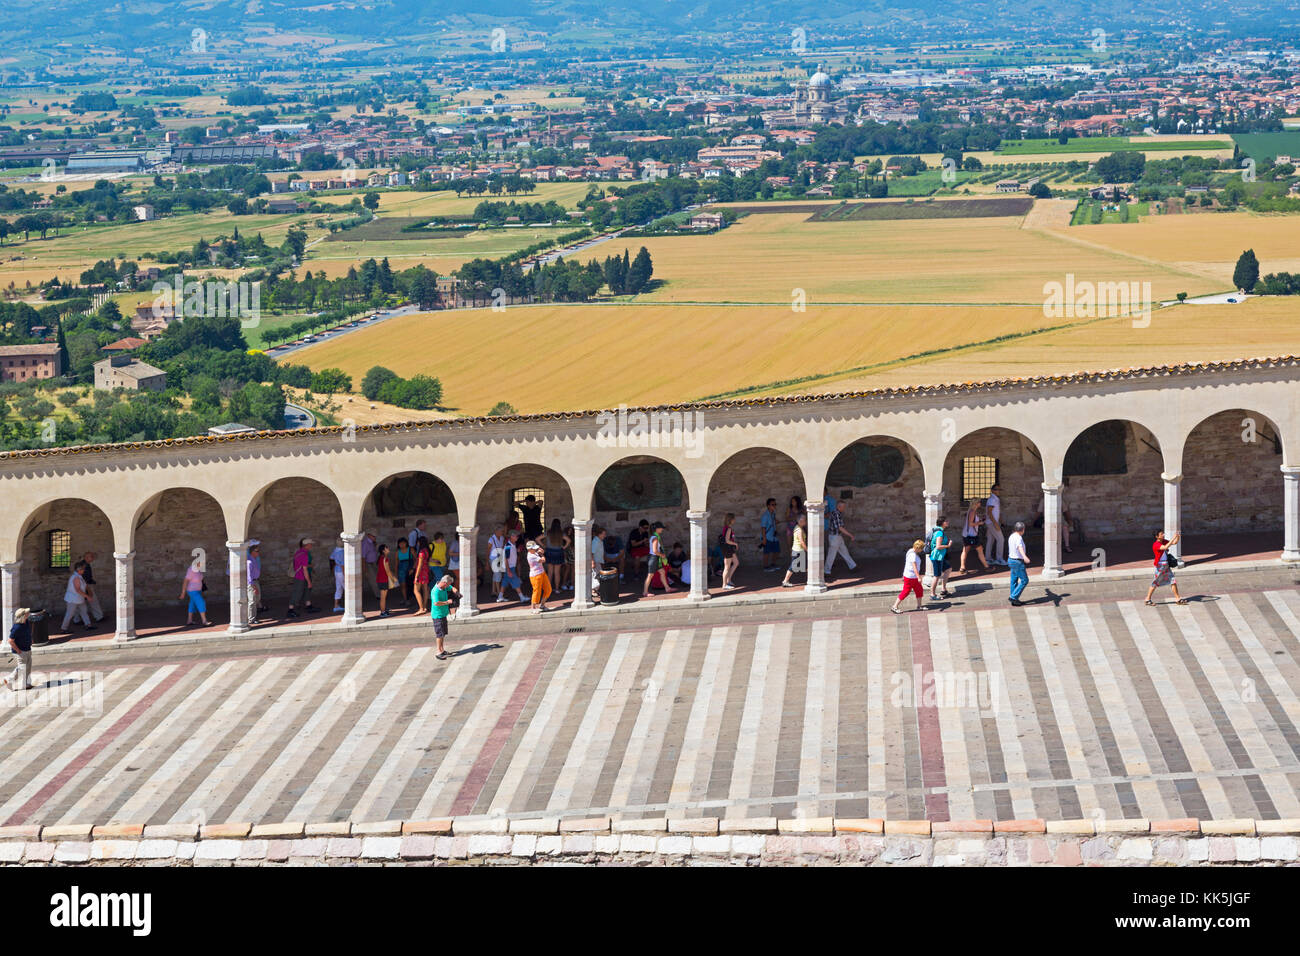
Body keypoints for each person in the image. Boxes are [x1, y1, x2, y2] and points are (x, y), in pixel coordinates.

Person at [1144, 530, 1188, 606]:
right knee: (1155, 582)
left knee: (1172, 580)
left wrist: (1177, 537)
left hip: (1166, 565)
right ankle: (1147, 599)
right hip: (1160, 566)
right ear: (1157, 536)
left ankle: (1178, 598)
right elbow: (1166, 547)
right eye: (1161, 534)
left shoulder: (1163, 541)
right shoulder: (1156, 544)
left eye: (1163, 533)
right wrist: (1173, 538)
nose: (1163, 535)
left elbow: (1174, 543)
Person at [890, 540, 927, 613]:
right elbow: (914, 568)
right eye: (921, 549)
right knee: (906, 591)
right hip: (911, 577)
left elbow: (907, 564)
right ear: (918, 548)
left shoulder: (910, 550)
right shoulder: (912, 555)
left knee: (919, 590)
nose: (922, 550)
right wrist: (919, 577)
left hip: (910, 576)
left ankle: (919, 606)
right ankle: (894, 606)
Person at [825, 499, 858, 578]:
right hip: (835, 537)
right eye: (843, 507)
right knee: (831, 555)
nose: (844, 508)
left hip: (837, 536)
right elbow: (839, 527)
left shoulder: (837, 513)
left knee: (844, 551)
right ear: (839, 507)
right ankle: (826, 571)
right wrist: (850, 535)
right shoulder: (836, 514)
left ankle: (853, 566)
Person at [3, 607, 32, 691]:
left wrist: (31, 639)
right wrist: (18, 651)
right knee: (21, 668)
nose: (28, 613)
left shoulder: (26, 622)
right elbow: (10, 641)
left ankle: (26, 683)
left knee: (28, 666)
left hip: (27, 648)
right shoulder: (17, 627)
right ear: (23, 616)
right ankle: (9, 680)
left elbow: (28, 632)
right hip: (21, 651)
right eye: (27, 613)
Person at [61, 560, 94, 632]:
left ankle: (88, 625)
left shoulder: (79, 576)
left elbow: (84, 586)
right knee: (69, 614)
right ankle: (63, 628)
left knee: (84, 611)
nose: (84, 570)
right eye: (83, 569)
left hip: (79, 599)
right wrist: (87, 596)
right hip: (73, 599)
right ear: (79, 570)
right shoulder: (76, 577)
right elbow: (78, 590)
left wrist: (89, 593)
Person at [959, 500, 990, 574]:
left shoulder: (971, 511)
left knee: (965, 551)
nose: (980, 503)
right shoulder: (972, 511)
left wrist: (979, 520)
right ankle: (987, 567)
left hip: (967, 535)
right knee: (980, 550)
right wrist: (980, 523)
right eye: (979, 502)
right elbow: (970, 524)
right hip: (971, 535)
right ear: (976, 503)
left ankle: (962, 568)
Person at [430, 574, 456, 660]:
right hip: (438, 615)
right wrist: (447, 602)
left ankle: (442, 649)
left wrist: (457, 592)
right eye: (448, 584)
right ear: (444, 583)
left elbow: (452, 588)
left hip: (443, 614)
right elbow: (436, 603)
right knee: (439, 634)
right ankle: (438, 652)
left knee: (443, 633)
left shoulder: (444, 586)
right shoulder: (435, 591)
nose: (449, 586)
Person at [287, 537, 315, 618]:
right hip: (300, 577)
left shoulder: (299, 552)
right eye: (311, 544)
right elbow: (304, 569)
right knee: (297, 593)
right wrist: (309, 582)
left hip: (300, 576)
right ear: (307, 545)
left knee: (306, 591)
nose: (311, 545)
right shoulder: (304, 554)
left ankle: (308, 606)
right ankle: (290, 610)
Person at [643, 521, 673, 596]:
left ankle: (667, 588)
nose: (662, 529)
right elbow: (655, 551)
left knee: (662, 572)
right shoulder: (655, 538)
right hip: (654, 559)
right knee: (650, 576)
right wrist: (662, 555)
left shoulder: (654, 536)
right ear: (657, 529)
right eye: (661, 528)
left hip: (655, 559)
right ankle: (645, 592)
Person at [928, 516, 953, 600]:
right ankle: (932, 594)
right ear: (942, 523)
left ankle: (943, 589)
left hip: (940, 556)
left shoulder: (937, 529)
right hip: (937, 557)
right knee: (937, 575)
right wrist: (948, 545)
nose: (948, 522)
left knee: (948, 569)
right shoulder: (939, 532)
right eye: (946, 521)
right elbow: (938, 546)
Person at [181, 556, 210, 627]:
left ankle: (189, 620)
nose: (203, 564)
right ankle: (204, 621)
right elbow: (185, 581)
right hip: (192, 591)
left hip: (198, 590)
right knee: (201, 602)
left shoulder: (198, 570)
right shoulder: (191, 569)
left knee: (192, 604)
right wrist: (183, 592)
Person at [780, 513, 808, 588]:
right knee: (793, 567)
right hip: (798, 551)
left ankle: (811, 579)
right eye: (805, 520)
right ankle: (785, 581)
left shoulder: (798, 527)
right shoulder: (799, 530)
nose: (806, 521)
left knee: (804, 566)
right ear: (801, 521)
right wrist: (807, 550)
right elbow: (802, 541)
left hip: (798, 550)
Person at [1007, 520, 1030, 606]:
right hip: (1017, 562)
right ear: (1022, 529)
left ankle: (1014, 600)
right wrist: (1025, 557)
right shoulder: (1018, 538)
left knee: (1014, 580)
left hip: (1011, 560)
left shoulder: (1012, 536)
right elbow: (1019, 547)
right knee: (1025, 580)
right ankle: (1013, 597)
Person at [526, 539, 551, 613]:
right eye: (534, 548)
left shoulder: (534, 553)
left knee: (548, 589)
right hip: (535, 576)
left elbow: (540, 553)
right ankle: (533, 608)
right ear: (529, 549)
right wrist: (542, 554)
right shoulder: (531, 556)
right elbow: (543, 560)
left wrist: (540, 552)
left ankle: (542, 605)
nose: (536, 549)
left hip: (542, 573)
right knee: (536, 591)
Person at [80, 551, 105, 623]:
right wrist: (88, 587)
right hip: (86, 586)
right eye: (91, 557)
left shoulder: (85, 564)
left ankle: (77, 619)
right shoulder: (84, 565)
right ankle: (99, 617)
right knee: (93, 601)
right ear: (87, 557)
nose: (93, 558)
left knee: (80, 603)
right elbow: (84, 578)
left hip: (85, 586)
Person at [985, 484, 1006, 566]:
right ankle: (999, 559)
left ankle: (988, 558)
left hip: (991, 522)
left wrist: (1001, 521)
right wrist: (996, 524)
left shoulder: (995, 499)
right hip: (992, 523)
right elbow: (989, 513)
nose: (999, 491)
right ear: (993, 490)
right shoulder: (992, 499)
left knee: (990, 540)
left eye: (1000, 490)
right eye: (997, 489)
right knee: (1001, 539)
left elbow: (997, 512)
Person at [545, 519, 568, 593]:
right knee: (557, 572)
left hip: (549, 552)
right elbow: (569, 540)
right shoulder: (561, 533)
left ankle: (548, 589)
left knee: (550, 572)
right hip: (558, 552)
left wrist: (544, 546)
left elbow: (537, 539)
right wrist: (564, 547)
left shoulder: (548, 532)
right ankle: (557, 589)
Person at [719, 513, 740, 590]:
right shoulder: (729, 529)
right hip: (728, 549)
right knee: (727, 567)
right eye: (733, 518)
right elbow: (727, 540)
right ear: (731, 520)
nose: (734, 520)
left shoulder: (726, 527)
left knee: (736, 562)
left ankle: (729, 580)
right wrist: (735, 544)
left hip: (729, 549)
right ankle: (724, 585)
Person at [488, 525, 509, 602]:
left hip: (499, 558)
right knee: (498, 575)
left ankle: (494, 591)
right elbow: (488, 551)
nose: (502, 533)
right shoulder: (491, 539)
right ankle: (499, 593)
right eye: (501, 531)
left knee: (495, 575)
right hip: (493, 559)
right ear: (496, 531)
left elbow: (502, 547)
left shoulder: (502, 538)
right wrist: (487, 562)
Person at [760, 498, 780, 571]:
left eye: (775, 504)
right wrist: (764, 539)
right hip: (768, 537)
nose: (774, 506)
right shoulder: (765, 516)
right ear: (768, 506)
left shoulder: (773, 514)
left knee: (777, 551)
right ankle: (765, 567)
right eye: (772, 504)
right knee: (767, 552)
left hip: (774, 537)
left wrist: (776, 521)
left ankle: (773, 564)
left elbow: (773, 521)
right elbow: (763, 528)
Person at [377, 543, 396, 617]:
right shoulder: (385, 559)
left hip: (380, 579)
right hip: (383, 579)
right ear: (383, 550)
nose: (388, 549)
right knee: (383, 597)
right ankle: (382, 612)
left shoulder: (380, 558)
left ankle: (384, 609)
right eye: (386, 548)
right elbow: (388, 571)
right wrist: (393, 579)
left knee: (383, 597)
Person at [413, 537, 431, 614]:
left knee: (416, 590)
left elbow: (419, 565)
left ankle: (421, 608)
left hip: (421, 572)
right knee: (425, 590)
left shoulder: (421, 553)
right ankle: (424, 607)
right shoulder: (427, 551)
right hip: (426, 571)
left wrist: (416, 576)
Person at [246, 540, 263, 626]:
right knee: (252, 601)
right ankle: (251, 619)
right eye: (257, 551)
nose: (258, 552)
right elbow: (249, 577)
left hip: (256, 581)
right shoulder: (249, 562)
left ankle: (253, 617)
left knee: (257, 599)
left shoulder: (254, 560)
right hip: (252, 583)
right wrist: (253, 587)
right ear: (252, 552)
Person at [362, 532, 380, 599]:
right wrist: (364, 569)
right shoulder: (365, 543)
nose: (375, 537)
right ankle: (378, 595)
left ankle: (379, 593)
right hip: (368, 564)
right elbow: (363, 557)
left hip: (373, 563)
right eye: (373, 536)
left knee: (377, 578)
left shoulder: (371, 542)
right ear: (369, 535)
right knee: (374, 580)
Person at [591, 525, 607, 599]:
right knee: (595, 577)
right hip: (595, 562)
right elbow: (592, 552)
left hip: (599, 561)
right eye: (603, 534)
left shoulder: (600, 541)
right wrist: (592, 562)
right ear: (599, 534)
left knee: (598, 577)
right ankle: (592, 590)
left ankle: (595, 590)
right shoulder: (595, 541)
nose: (605, 535)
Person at [330, 539, 346, 614]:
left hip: (337, 571)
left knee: (339, 588)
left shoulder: (335, 550)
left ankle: (336, 606)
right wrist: (345, 575)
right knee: (348, 589)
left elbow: (331, 558)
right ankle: (350, 606)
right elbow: (343, 565)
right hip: (341, 572)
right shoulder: (342, 552)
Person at [395, 538, 412, 605]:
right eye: (400, 543)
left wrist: (413, 568)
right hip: (401, 570)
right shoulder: (397, 552)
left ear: (406, 543)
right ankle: (405, 599)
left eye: (403, 543)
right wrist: (396, 574)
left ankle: (408, 598)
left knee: (410, 585)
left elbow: (416, 559)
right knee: (403, 585)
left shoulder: (410, 549)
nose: (402, 544)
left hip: (409, 569)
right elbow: (396, 563)